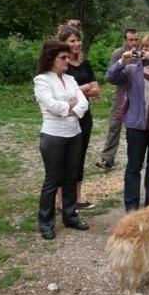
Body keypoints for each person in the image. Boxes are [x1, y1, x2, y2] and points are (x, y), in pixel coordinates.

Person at [107, 34, 149, 212]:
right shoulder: (131, 70)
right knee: (134, 166)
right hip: (137, 127)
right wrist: (122, 60)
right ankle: (131, 204)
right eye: (146, 49)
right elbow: (111, 77)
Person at [33, 39, 89, 240]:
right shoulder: (42, 80)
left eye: (68, 56)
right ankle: (46, 222)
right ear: (51, 59)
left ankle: (70, 215)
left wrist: (70, 108)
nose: (67, 60)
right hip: (53, 136)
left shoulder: (71, 79)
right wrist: (69, 106)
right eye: (63, 57)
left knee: (71, 177)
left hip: (74, 134)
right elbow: (51, 105)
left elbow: (83, 102)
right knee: (52, 179)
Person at [58, 25, 99, 210]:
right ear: (64, 43)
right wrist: (82, 88)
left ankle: (78, 196)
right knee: (63, 157)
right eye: (72, 41)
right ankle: (60, 199)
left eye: (77, 40)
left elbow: (96, 90)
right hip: (67, 116)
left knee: (80, 155)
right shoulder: (61, 65)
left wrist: (75, 91)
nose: (76, 44)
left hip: (84, 116)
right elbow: (62, 94)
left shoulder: (85, 64)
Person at [96, 28, 139, 171]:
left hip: (138, 96)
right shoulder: (118, 54)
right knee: (114, 126)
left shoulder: (141, 54)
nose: (134, 43)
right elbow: (111, 75)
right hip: (121, 95)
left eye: (136, 39)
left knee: (135, 129)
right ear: (125, 40)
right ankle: (107, 159)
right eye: (131, 40)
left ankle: (137, 159)